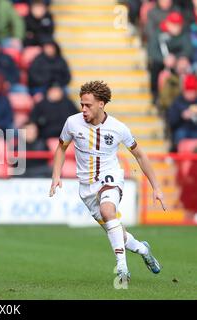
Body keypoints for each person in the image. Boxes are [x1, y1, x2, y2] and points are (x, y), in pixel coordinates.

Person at [49, 81, 166, 287]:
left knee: (107, 211)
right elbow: (61, 148)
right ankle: (143, 250)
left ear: (101, 104)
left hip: (110, 177)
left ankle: (122, 266)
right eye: (82, 105)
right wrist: (56, 175)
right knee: (116, 231)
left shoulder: (119, 128)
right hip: (86, 187)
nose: (83, 109)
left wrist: (156, 187)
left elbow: (139, 155)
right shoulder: (72, 123)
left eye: (88, 105)